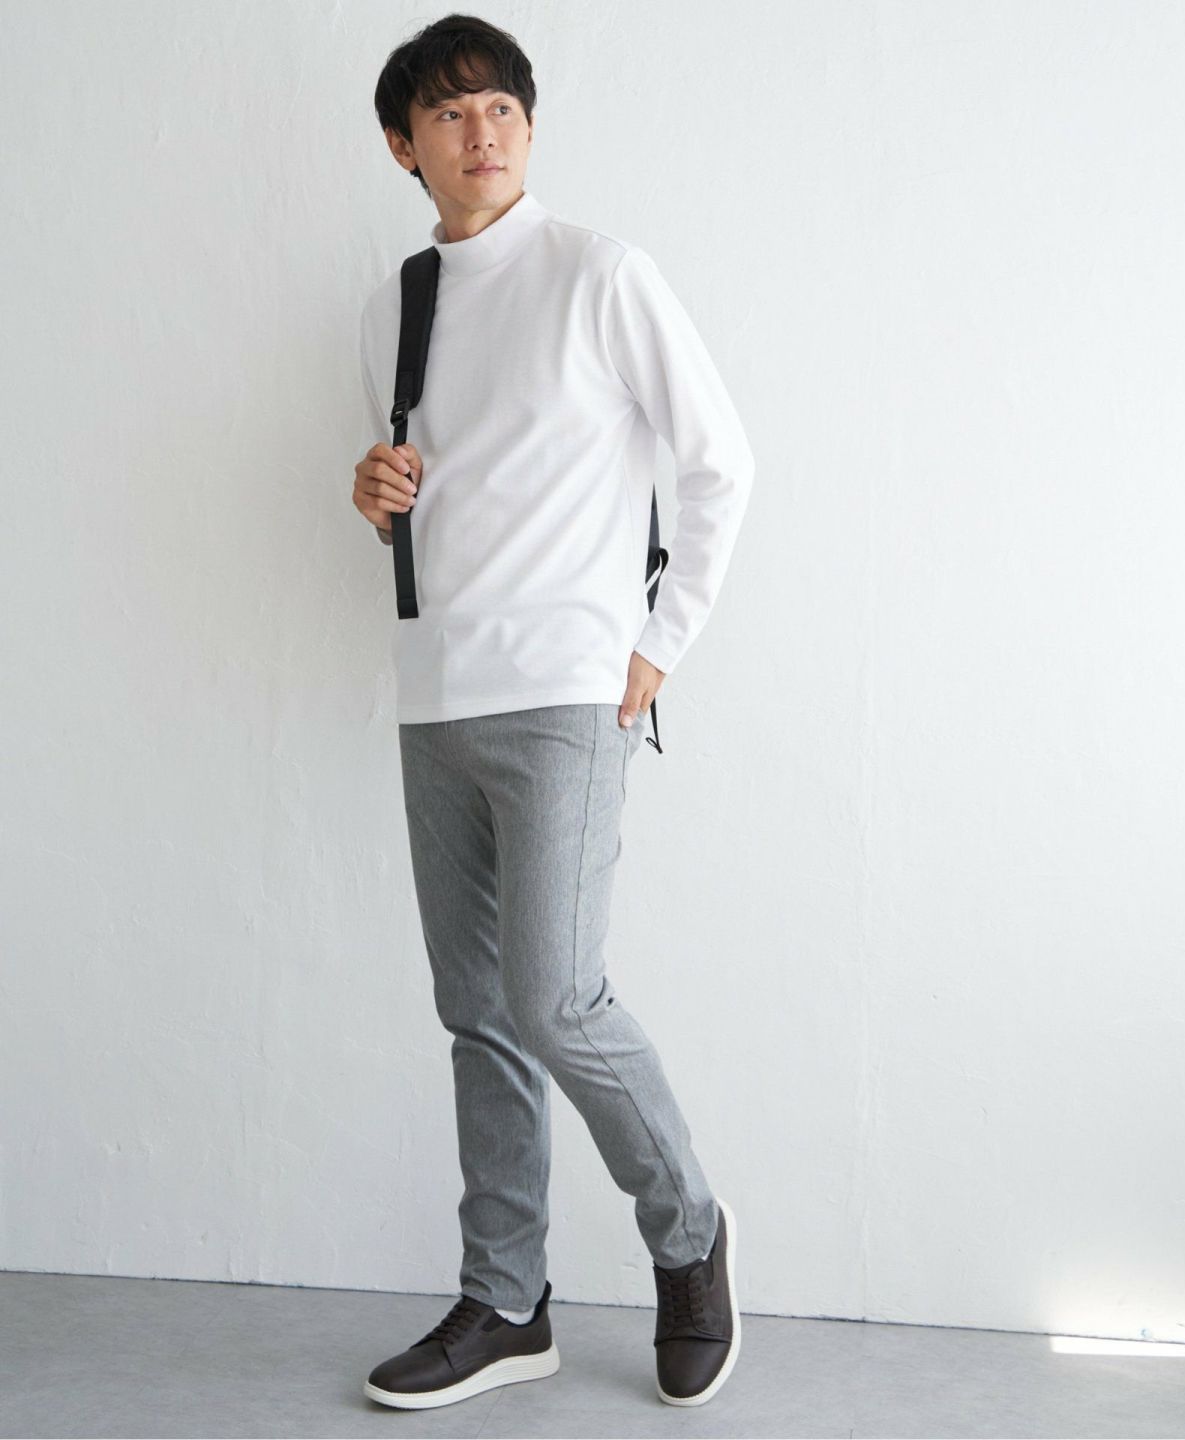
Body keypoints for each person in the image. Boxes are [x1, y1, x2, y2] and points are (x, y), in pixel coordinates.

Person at [353, 12, 753, 1413]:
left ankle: (689, 1239)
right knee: (478, 1012)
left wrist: (660, 643)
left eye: (503, 109)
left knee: (554, 995)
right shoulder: (398, 303)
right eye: (449, 113)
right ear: (404, 145)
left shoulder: (600, 274)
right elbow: (435, 486)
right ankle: (507, 1301)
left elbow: (720, 461)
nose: (484, 132)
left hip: (568, 693)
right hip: (436, 696)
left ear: (528, 127)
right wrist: (378, 493)